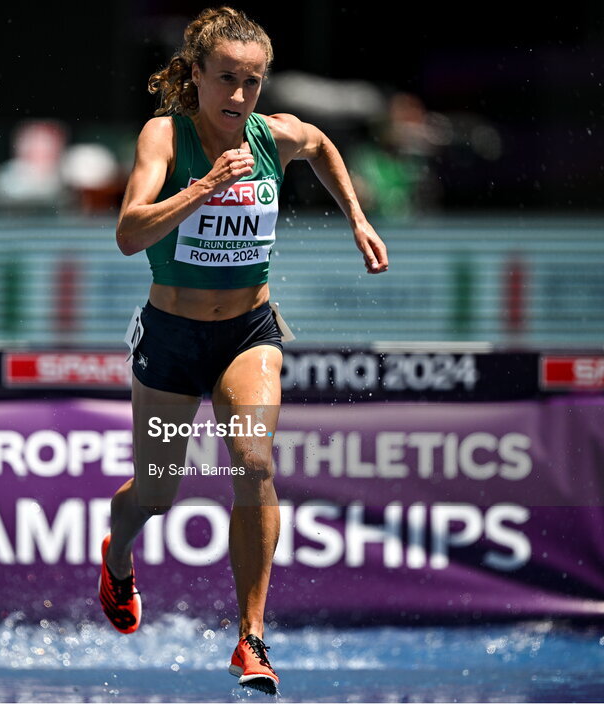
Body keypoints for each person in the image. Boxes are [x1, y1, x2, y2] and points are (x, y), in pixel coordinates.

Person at [98, 6, 388, 694]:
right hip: (172, 341)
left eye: (252, 82)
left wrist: (357, 217)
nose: (237, 96)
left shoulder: (272, 136)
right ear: (196, 74)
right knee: (156, 494)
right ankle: (117, 557)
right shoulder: (164, 137)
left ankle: (251, 638)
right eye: (225, 78)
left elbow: (318, 143)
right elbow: (128, 232)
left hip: (247, 334)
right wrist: (200, 189)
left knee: (254, 457)